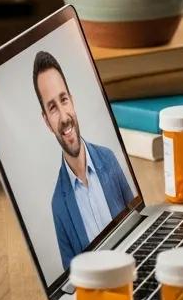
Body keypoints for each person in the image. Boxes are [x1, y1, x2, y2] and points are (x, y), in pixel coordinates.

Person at [34, 51, 134, 270]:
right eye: (52, 108)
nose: (63, 116)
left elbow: (138, 220)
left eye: (64, 100)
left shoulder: (108, 159)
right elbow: (73, 279)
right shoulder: (58, 206)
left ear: (73, 101)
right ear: (47, 121)